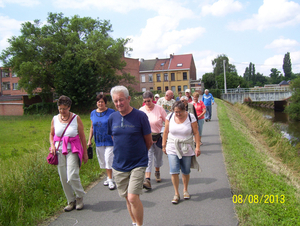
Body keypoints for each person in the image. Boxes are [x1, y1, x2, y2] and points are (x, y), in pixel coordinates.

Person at [107, 85, 152, 226]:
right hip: (119, 164)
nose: (119, 103)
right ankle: (134, 222)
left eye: (121, 100)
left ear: (128, 98)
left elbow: (148, 141)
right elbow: (115, 138)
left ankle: (139, 224)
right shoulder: (112, 118)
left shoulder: (140, 116)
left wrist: (139, 154)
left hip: (138, 163)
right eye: (115, 101)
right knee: (127, 198)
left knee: (133, 197)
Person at [49, 95, 88, 212]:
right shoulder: (55, 119)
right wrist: (52, 145)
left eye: (64, 109)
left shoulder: (76, 118)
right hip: (59, 150)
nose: (62, 111)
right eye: (60, 108)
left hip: (73, 150)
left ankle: (79, 196)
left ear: (69, 107)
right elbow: (51, 134)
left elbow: (82, 136)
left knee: (72, 175)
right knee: (63, 177)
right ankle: (71, 201)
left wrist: (85, 153)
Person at [162, 101, 201, 204]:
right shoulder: (170, 117)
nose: (178, 114)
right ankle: (176, 193)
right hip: (172, 146)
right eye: (176, 112)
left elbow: (196, 132)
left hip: (186, 146)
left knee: (186, 170)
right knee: (174, 170)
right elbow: (165, 131)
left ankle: (185, 189)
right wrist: (163, 145)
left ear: (185, 110)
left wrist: (197, 147)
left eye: (180, 112)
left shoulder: (191, 117)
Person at [139, 91, 167, 189]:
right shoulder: (141, 110)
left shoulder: (159, 109)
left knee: (158, 157)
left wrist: (166, 132)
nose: (147, 103)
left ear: (152, 99)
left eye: (149, 101)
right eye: (145, 101)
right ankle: (147, 179)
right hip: (146, 139)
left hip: (158, 137)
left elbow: (166, 121)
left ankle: (157, 171)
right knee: (148, 158)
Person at [87, 94, 116, 190]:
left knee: (108, 159)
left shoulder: (111, 112)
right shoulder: (93, 113)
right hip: (99, 140)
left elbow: (116, 124)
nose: (100, 103)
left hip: (110, 140)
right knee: (103, 160)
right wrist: (89, 140)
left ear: (105, 103)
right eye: (98, 102)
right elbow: (92, 127)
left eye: (102, 102)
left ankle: (111, 180)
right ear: (96, 103)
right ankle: (108, 177)